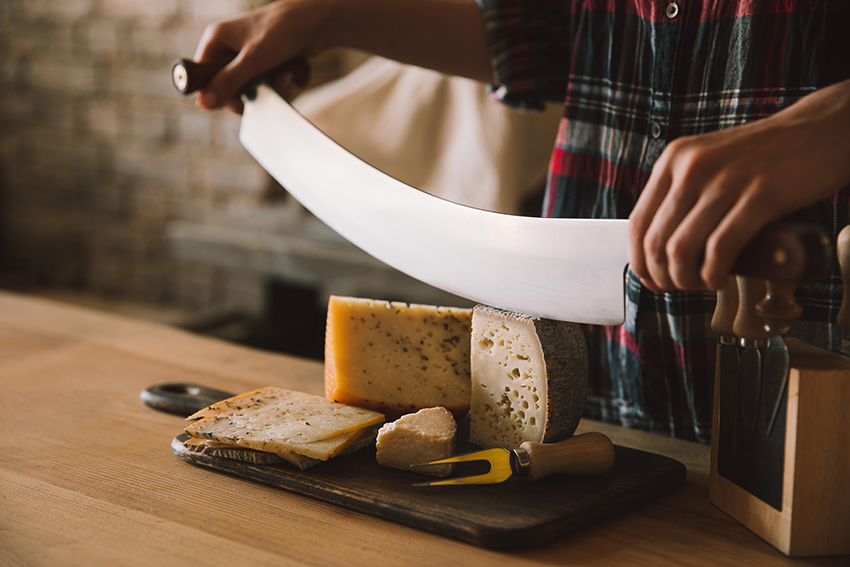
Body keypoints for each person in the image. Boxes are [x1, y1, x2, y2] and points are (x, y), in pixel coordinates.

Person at [191, 0, 850, 442]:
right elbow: (558, 30)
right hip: (606, 397)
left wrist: (831, 126)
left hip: (816, 402)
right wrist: (327, 16)